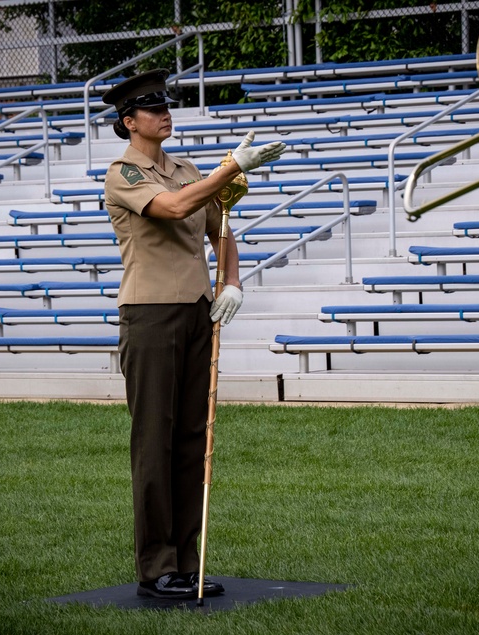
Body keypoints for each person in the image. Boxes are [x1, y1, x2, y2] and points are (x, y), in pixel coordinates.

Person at [102, 69, 285, 600]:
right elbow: (176, 208)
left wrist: (231, 279)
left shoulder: (185, 168)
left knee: (190, 441)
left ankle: (186, 562)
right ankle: (156, 565)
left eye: (166, 105)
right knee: (155, 442)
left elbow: (220, 226)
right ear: (128, 121)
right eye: (151, 108)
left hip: (197, 312)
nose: (164, 112)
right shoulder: (124, 174)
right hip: (151, 314)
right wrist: (230, 168)